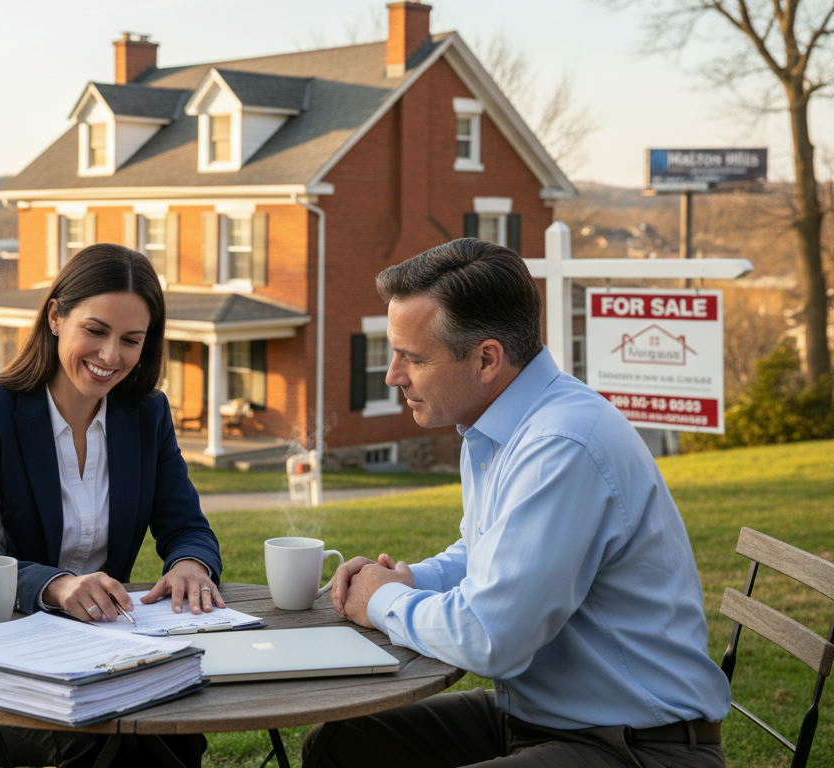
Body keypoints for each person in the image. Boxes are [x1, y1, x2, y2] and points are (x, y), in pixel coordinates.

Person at [303, 238, 730, 768]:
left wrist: (382, 603)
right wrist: (411, 581)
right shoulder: (500, 426)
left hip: (638, 744)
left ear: (486, 358)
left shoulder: (562, 444)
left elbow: (489, 637)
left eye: (413, 357)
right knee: (340, 744)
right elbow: (488, 549)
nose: (394, 375)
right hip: (544, 719)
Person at [0, 242, 221, 768]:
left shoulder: (146, 415)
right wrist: (58, 585)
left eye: (131, 340)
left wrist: (190, 563)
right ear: (56, 316)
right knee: (116, 748)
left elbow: (187, 526)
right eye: (95, 331)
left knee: (174, 735)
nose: (111, 356)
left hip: (106, 657)